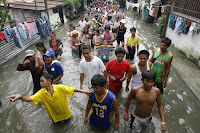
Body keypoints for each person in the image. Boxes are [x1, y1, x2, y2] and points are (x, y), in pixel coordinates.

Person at [7, 74, 92, 124]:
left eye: (42, 81)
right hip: (54, 118)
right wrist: (20, 96)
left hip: (66, 115)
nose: (40, 83)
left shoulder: (60, 88)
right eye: (40, 81)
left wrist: (85, 91)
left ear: (49, 81)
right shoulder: (41, 93)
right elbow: (30, 99)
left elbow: (73, 89)